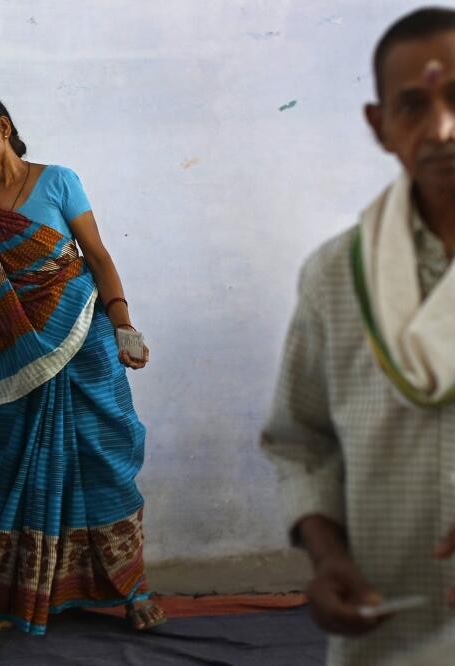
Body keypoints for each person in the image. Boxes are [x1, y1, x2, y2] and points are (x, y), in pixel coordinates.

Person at [261, 8, 455, 666]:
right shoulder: (336, 278)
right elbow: (300, 441)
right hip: (390, 629)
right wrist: (328, 555)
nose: (442, 128)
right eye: (413, 105)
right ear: (380, 126)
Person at [0, 89, 166, 635]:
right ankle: (3, 597)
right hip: (13, 356)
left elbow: (98, 256)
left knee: (105, 457)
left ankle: (130, 588)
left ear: (3, 126)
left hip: (85, 339)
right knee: (8, 467)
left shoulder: (58, 179)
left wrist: (124, 325)